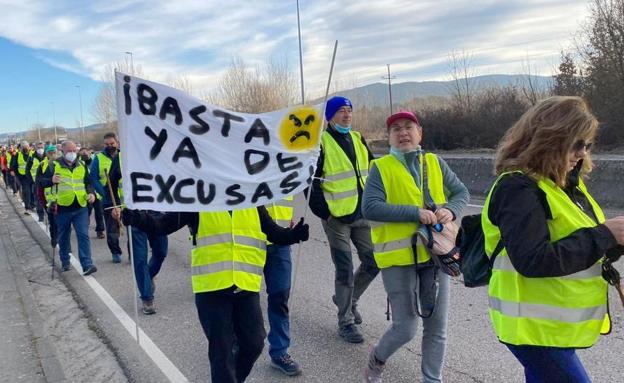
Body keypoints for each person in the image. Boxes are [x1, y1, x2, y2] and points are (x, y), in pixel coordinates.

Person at [482, 96, 624, 382]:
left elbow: (582, 244)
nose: (582, 153)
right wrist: (604, 234)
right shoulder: (518, 187)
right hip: (532, 328)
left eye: (587, 145)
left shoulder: (564, 184)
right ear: (549, 138)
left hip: (552, 327)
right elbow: (533, 259)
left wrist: (613, 241)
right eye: (575, 144)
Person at [121, 205, 310, 383]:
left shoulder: (250, 199)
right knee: (222, 352)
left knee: (253, 344)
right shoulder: (200, 199)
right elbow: (163, 224)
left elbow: (272, 231)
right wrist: (138, 218)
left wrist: (293, 235)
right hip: (211, 288)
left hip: (245, 285)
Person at [361, 111, 469, 382]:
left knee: (437, 327)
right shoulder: (381, 167)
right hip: (398, 258)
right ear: (389, 137)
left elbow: (461, 193)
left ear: (419, 132)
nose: (403, 132)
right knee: (406, 328)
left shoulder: (434, 161)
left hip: (436, 255)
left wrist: (450, 211)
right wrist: (414, 213)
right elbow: (370, 207)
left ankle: (432, 380)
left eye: (408, 127)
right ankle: (377, 358)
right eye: (396, 129)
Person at [308, 96, 379, 343]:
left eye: (349, 110)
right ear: (330, 117)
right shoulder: (321, 144)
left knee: (373, 261)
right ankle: (345, 321)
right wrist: (325, 214)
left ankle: (348, 300)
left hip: (362, 215)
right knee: (344, 270)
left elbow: (374, 169)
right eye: (340, 111)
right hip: (336, 218)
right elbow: (311, 185)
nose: (347, 115)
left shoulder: (358, 138)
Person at [109, 152, 169, 315]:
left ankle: (147, 279)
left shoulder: (160, 152)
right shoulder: (121, 158)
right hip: (134, 216)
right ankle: (147, 298)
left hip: (158, 214)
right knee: (140, 258)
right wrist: (115, 206)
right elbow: (111, 183)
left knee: (161, 253)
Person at [40, 140, 97, 275]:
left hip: (80, 207)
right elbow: (40, 182)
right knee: (64, 236)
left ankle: (87, 264)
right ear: (63, 152)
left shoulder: (81, 165)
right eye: (69, 151)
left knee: (83, 235)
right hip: (62, 208)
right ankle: (65, 260)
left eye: (74, 151)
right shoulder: (53, 165)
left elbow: (88, 182)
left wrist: (91, 193)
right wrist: (50, 181)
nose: (72, 153)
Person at [263, 196, 302, 376]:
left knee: (280, 298)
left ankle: (280, 352)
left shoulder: (284, 167)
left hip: (280, 240)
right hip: (246, 240)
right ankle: (236, 343)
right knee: (242, 296)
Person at [91, 133, 123, 261]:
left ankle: (133, 253)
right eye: (107, 144)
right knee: (112, 230)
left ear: (117, 143)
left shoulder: (124, 156)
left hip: (126, 198)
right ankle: (115, 252)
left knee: (133, 228)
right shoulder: (98, 158)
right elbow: (93, 178)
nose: (110, 146)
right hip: (109, 197)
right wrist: (103, 193)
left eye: (112, 144)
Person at [36, 145, 59, 246]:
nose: (53, 154)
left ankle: (65, 245)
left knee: (64, 224)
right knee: (53, 223)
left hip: (64, 199)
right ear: (47, 153)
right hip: (49, 200)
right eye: (50, 152)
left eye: (54, 152)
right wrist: (42, 200)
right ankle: (54, 238)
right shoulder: (42, 165)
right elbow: (39, 183)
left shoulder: (63, 163)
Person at [10, 140, 33, 213]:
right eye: (24, 147)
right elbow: (13, 164)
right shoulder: (17, 155)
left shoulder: (32, 154)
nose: (25, 148)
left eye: (26, 147)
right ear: (21, 148)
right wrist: (13, 171)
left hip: (33, 176)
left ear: (29, 147)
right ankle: (28, 207)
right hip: (22, 176)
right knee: (27, 191)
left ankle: (32, 204)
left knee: (33, 191)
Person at [26, 142, 46, 222]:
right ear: (35, 148)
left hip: (47, 182)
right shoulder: (31, 158)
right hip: (36, 183)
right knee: (38, 200)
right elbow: (27, 170)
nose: (40, 149)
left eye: (42, 147)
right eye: (39, 147)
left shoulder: (47, 156)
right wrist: (31, 181)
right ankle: (40, 215)